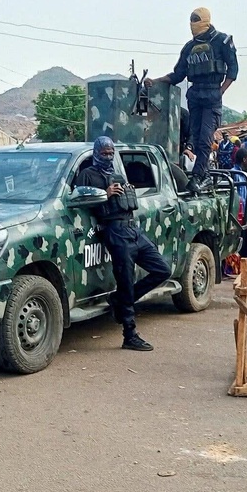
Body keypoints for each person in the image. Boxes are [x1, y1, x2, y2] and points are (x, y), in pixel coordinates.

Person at [73, 137, 170, 351]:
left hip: (132, 229)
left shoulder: (116, 175)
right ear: (96, 152)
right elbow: (81, 202)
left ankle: (119, 300)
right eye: (104, 153)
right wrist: (104, 195)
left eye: (111, 153)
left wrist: (127, 191)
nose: (108, 156)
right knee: (125, 281)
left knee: (163, 270)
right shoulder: (87, 175)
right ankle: (129, 334)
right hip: (114, 231)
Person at [147, 7, 238, 192]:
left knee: (205, 139)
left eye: (196, 19)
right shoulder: (189, 48)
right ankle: (203, 175)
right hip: (195, 95)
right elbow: (178, 75)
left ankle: (197, 177)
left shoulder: (222, 41)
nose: (192, 23)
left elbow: (233, 70)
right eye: (191, 20)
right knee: (197, 140)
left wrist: (220, 92)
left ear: (205, 19)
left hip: (212, 96)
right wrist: (155, 81)